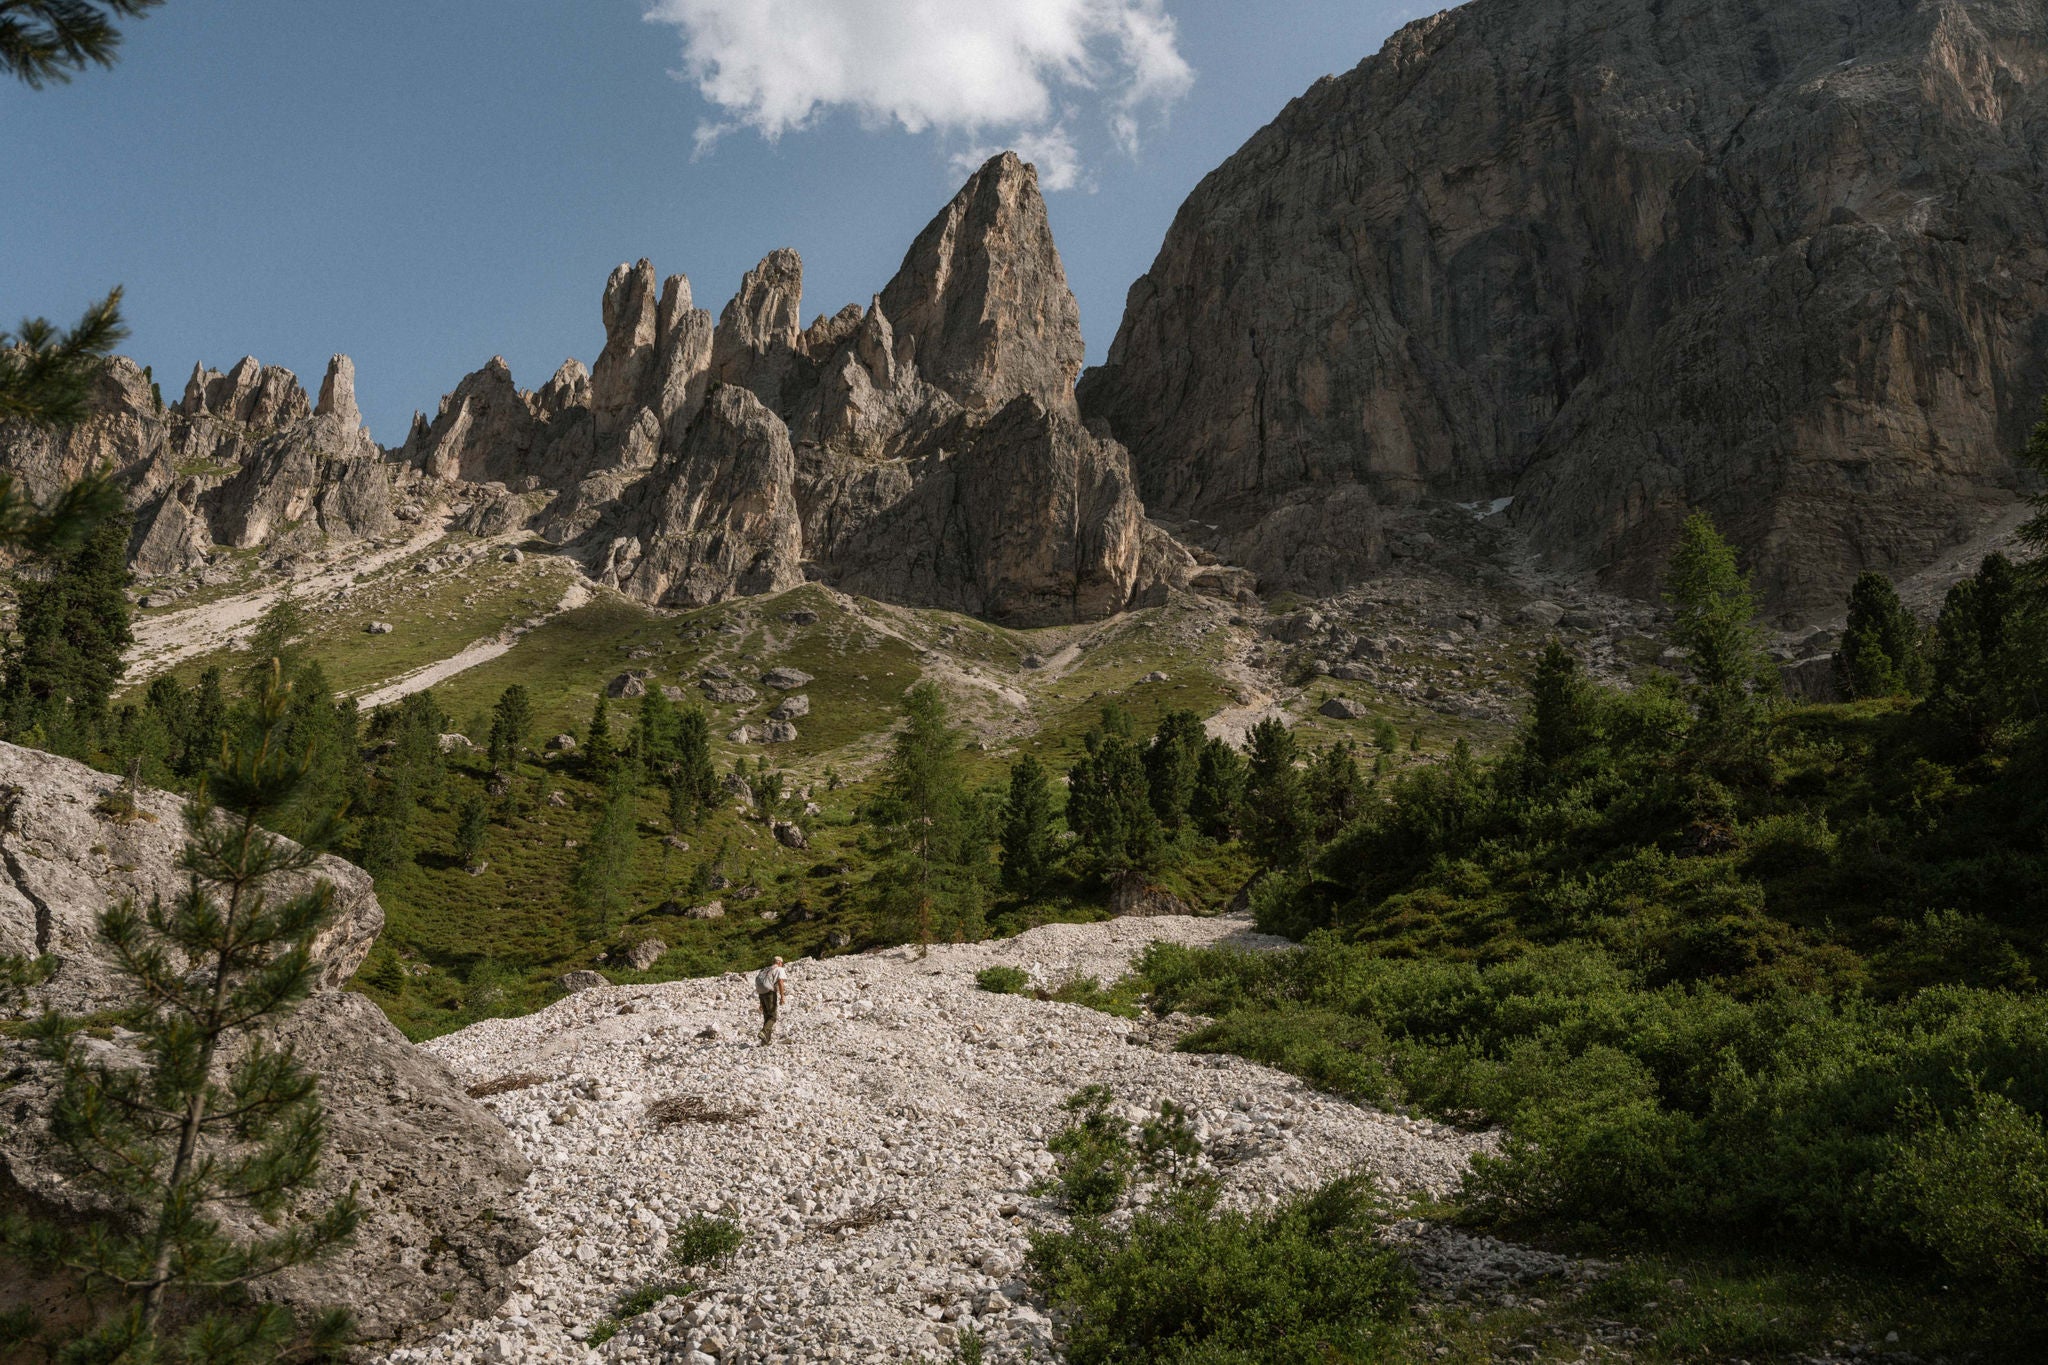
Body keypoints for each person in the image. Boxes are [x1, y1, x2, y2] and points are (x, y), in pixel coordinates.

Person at [755, 955, 787, 1044]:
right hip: (770, 993)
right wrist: (782, 996)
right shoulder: (779, 969)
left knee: (767, 1017)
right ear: (779, 962)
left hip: (761, 993)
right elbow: (780, 982)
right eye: (782, 963)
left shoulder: (766, 970)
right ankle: (764, 1032)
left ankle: (765, 1041)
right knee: (773, 1017)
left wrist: (761, 1003)